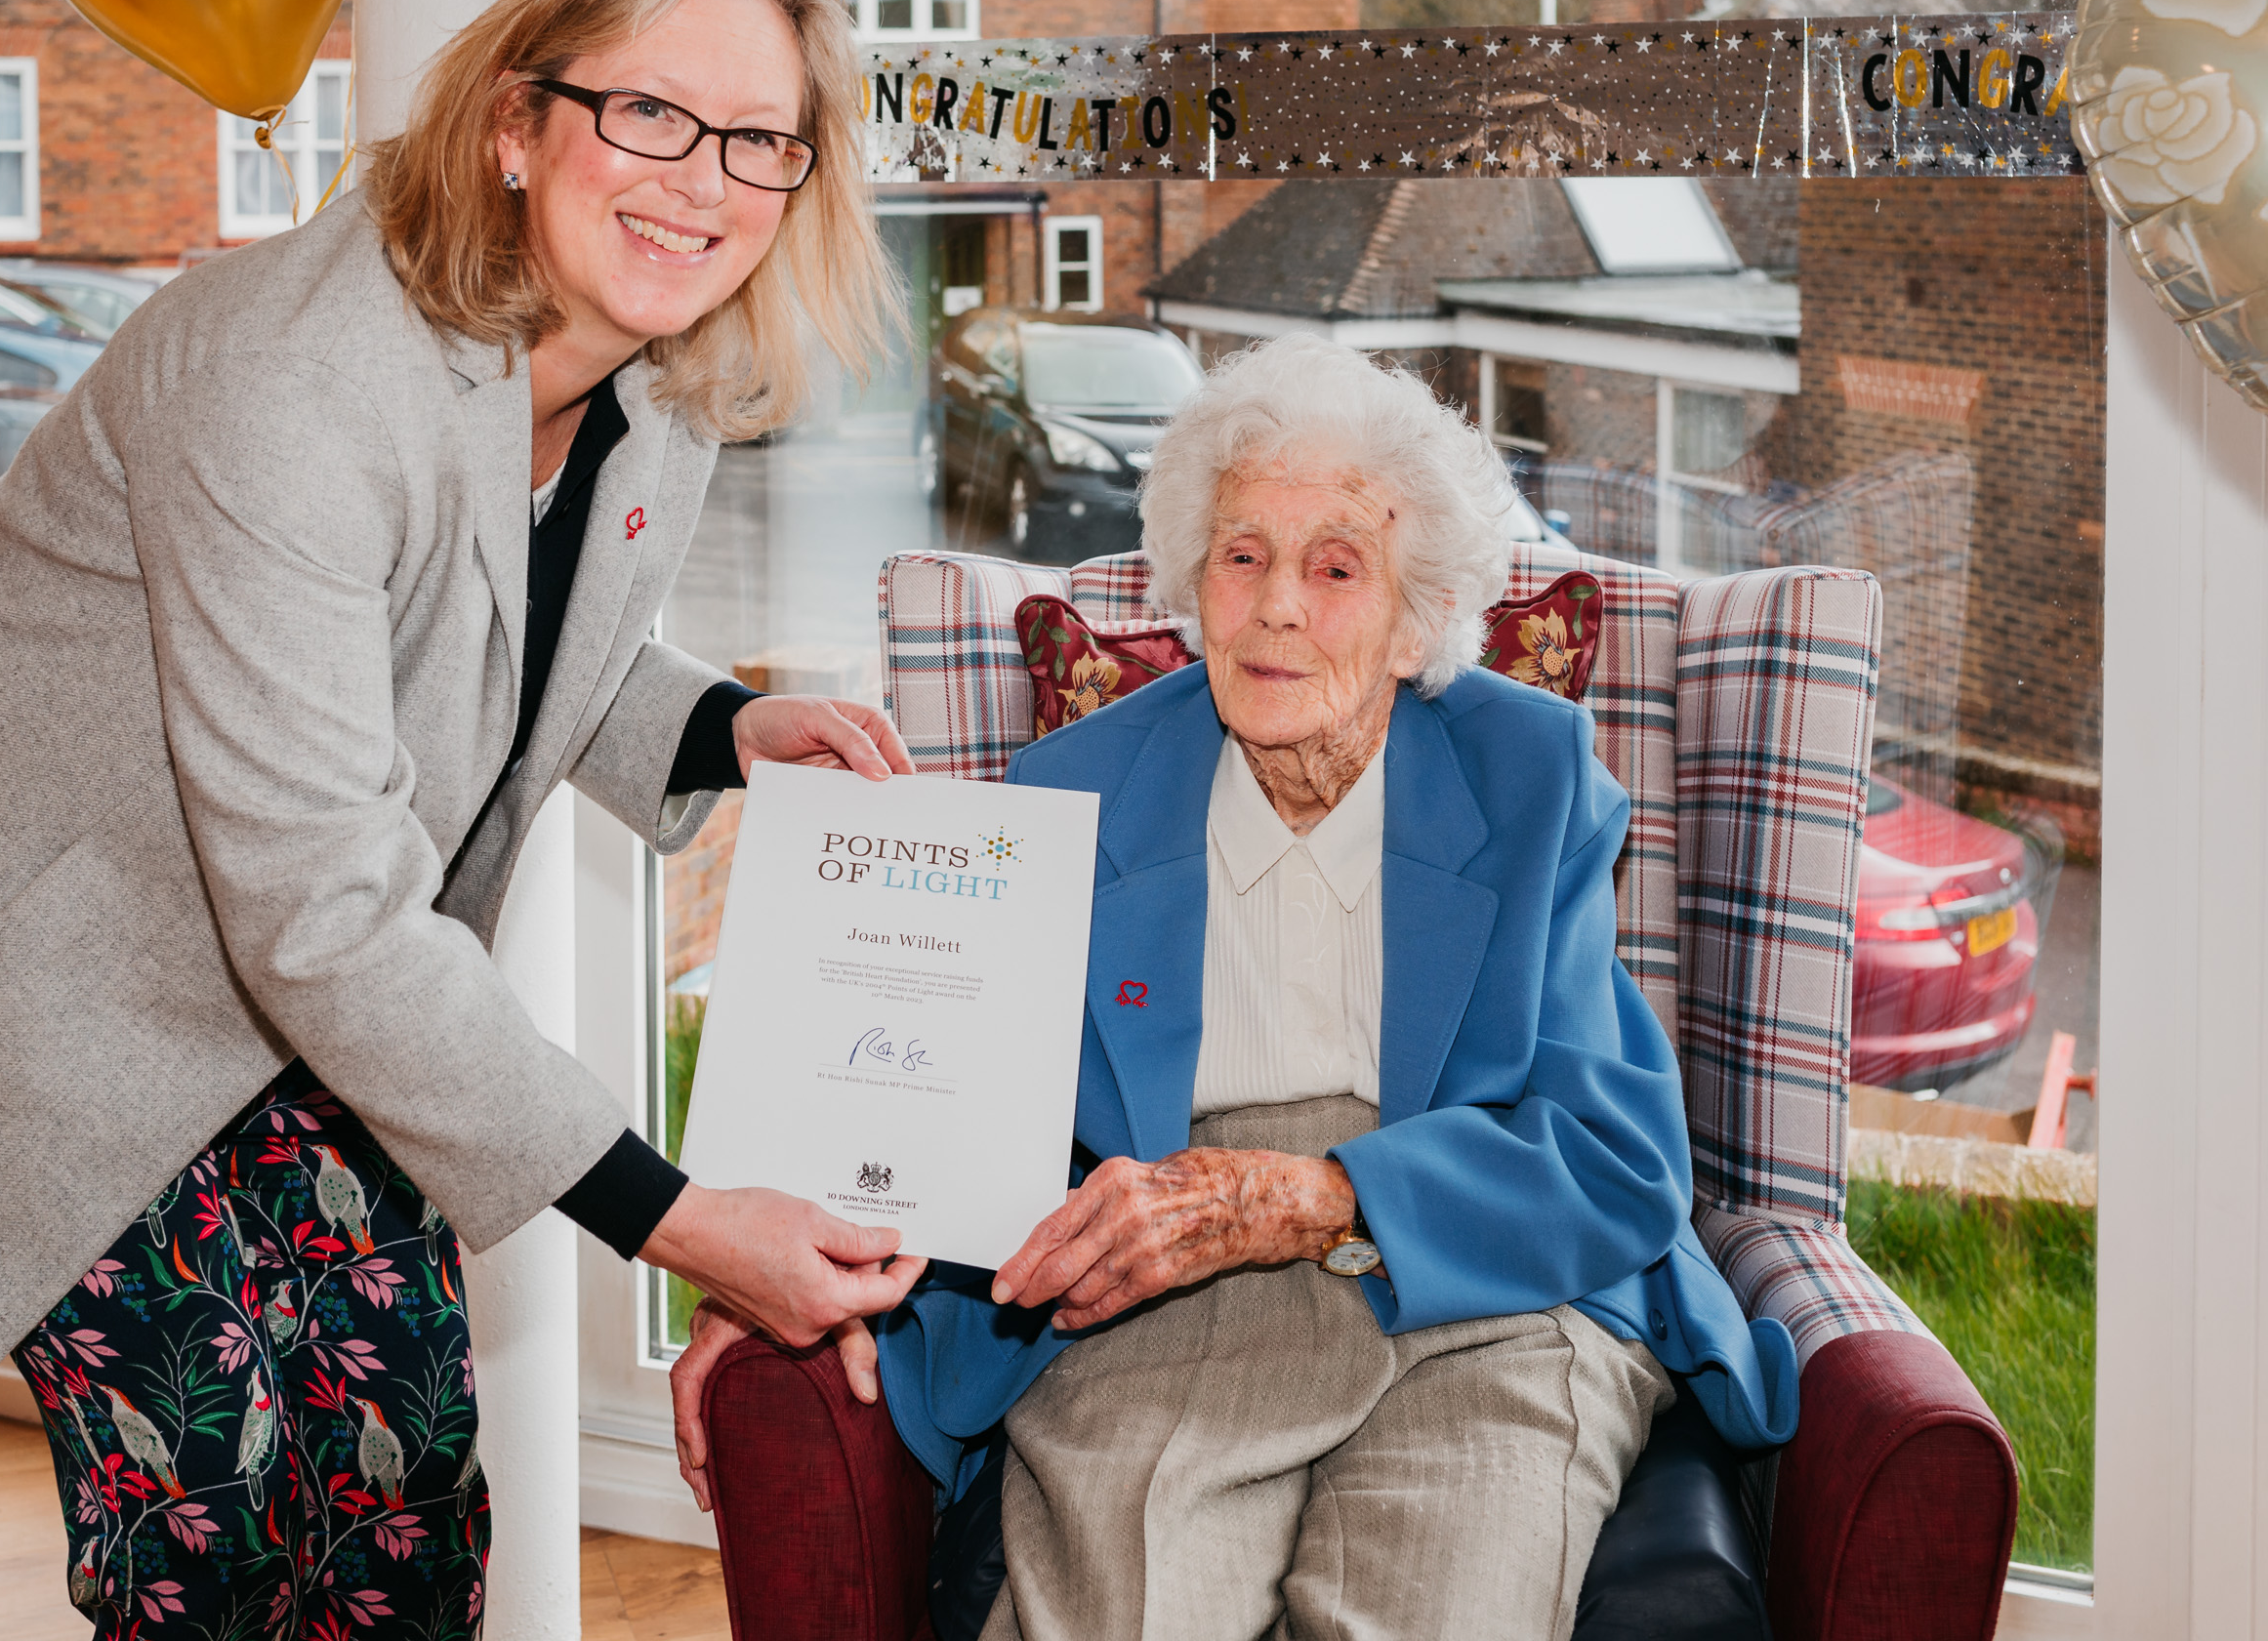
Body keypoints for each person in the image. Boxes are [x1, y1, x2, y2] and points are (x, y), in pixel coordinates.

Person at [0, 0, 928, 1641]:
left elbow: (487, 636)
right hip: (42, 949)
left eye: (760, 138)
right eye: (650, 113)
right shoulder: (292, 368)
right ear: (517, 129)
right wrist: (674, 1219)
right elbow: (325, 907)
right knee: (212, 1513)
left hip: (287, 948)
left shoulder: (651, 381)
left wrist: (718, 725)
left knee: (398, 1472)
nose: (703, 177)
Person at [671, 338, 1798, 1641]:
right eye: (1243, 554)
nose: (1277, 607)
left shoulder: (1529, 779)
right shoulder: (1067, 798)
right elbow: (934, 1106)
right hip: (1162, 1294)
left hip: (1485, 1286)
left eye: (1336, 566)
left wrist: (1311, 1198)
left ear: (1417, 613)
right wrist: (769, 1271)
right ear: (1191, 580)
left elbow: (1613, 1157)